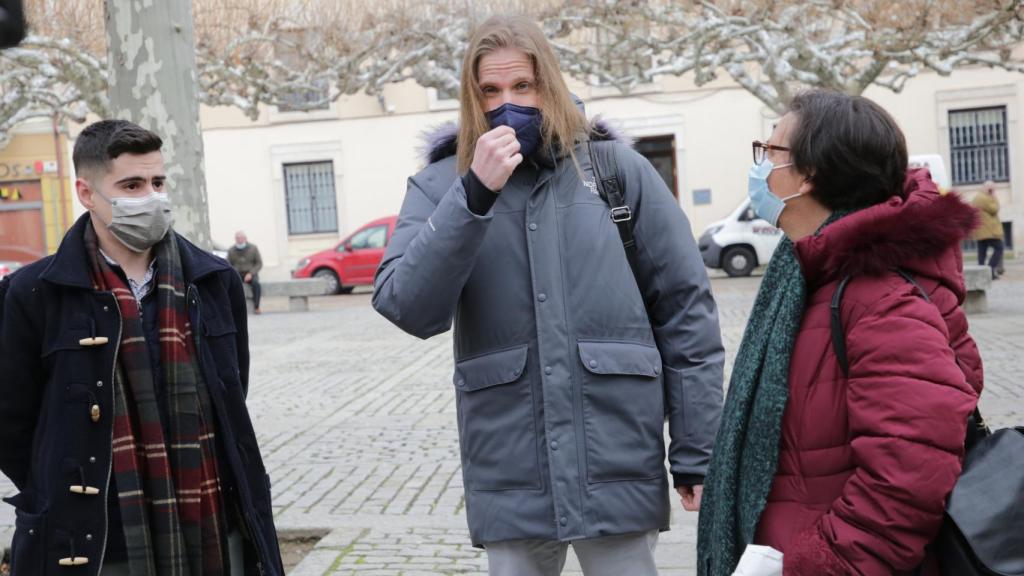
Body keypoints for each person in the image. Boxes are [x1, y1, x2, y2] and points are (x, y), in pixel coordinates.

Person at [373, 14, 724, 576]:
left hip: (616, 460)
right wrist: (473, 196)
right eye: (490, 91)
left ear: (549, 85)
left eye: (522, 86)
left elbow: (685, 312)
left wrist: (697, 451)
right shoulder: (441, 184)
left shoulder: (615, 171)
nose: (507, 103)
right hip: (511, 470)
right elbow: (406, 306)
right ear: (471, 96)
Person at [697, 90, 983, 575]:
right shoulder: (811, 272)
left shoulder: (877, 298)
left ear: (809, 174)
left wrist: (818, 564)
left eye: (770, 152)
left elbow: (909, 474)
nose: (761, 167)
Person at [0, 120, 284, 575]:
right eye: (131, 185)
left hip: (209, 522)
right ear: (87, 193)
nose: (150, 197)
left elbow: (231, 393)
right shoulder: (34, 294)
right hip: (98, 539)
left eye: (157, 182)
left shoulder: (213, 282)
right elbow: (11, 425)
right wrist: (62, 484)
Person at [972, 180, 1005, 279]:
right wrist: (994, 197)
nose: (994, 191)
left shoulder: (977, 197)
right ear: (988, 188)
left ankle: (982, 274)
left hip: (981, 231)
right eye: (993, 189)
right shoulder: (985, 198)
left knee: (982, 253)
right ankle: (990, 270)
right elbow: (994, 209)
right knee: (999, 248)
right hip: (988, 231)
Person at [228, 230, 264, 313]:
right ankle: (235, 307)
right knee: (232, 285)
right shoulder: (231, 250)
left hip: (250, 273)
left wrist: (251, 273)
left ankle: (257, 307)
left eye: (241, 238)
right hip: (237, 273)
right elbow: (228, 264)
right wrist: (234, 273)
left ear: (245, 238)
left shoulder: (253, 248)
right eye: (237, 238)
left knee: (256, 285)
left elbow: (259, 263)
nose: (239, 240)